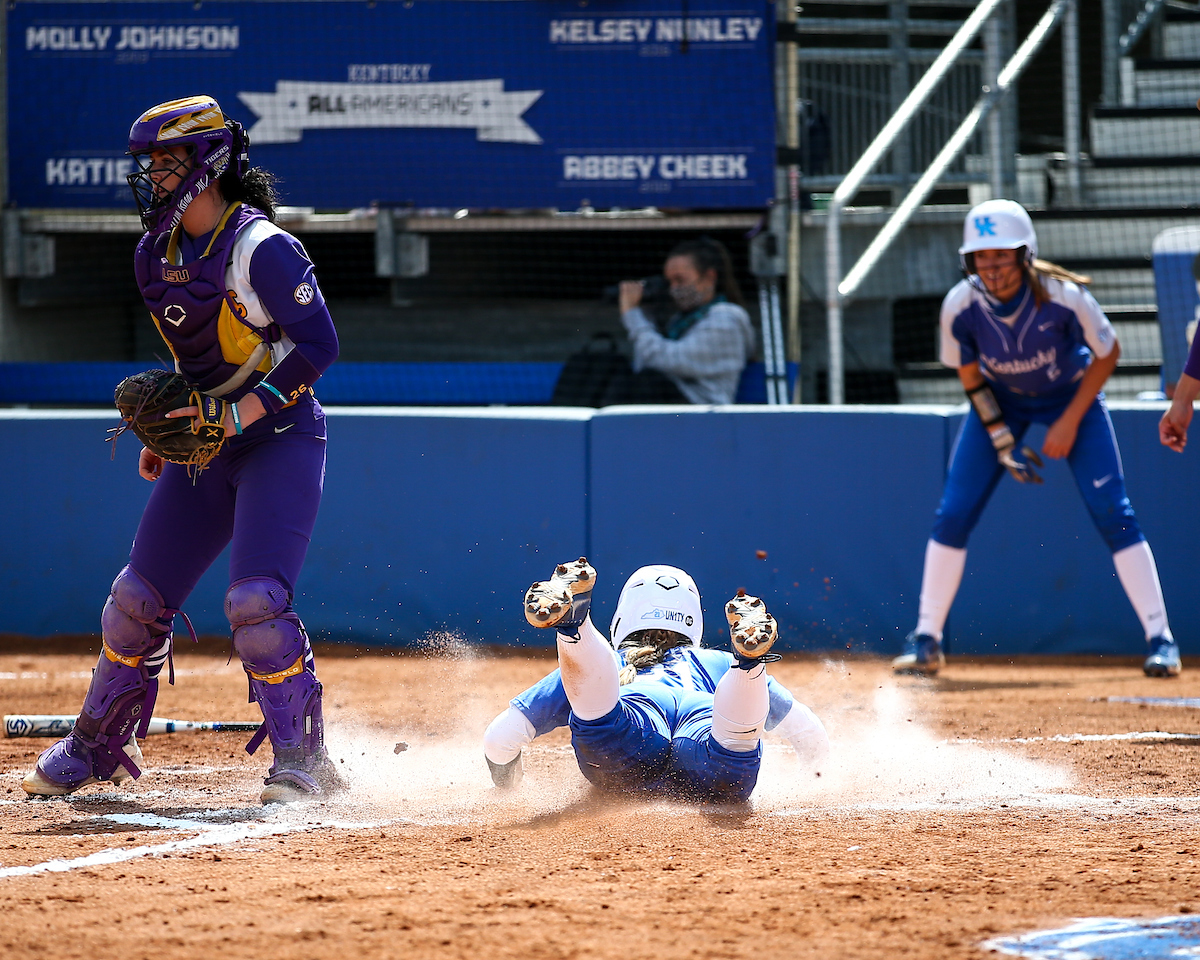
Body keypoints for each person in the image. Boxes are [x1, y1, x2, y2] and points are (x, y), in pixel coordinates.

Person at [23, 95, 343, 803]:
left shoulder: (263, 247)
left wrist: (238, 414)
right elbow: (195, 356)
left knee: (255, 604)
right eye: (148, 164)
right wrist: (174, 439)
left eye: (165, 163)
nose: (152, 178)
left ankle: (305, 760)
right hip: (210, 444)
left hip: (280, 436)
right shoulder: (153, 254)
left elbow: (320, 346)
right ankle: (98, 746)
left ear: (208, 164)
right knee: (134, 603)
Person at [893, 199, 1180, 679]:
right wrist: (1002, 439)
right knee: (953, 512)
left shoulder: (1064, 297)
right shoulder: (961, 305)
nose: (991, 267)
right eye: (981, 256)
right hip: (1002, 402)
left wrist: (1068, 421)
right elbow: (971, 376)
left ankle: (1161, 639)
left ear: (1025, 254)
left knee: (1114, 511)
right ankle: (925, 640)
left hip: (1072, 397)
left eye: (1001, 255)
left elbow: (1108, 353)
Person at [483, 558, 829, 803]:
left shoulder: (611, 664)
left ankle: (574, 627)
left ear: (624, 615)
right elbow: (808, 733)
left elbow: (500, 739)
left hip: (632, 720)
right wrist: (812, 784)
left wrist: (508, 788)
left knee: (598, 715)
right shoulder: (717, 662)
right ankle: (750, 666)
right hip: (706, 720)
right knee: (734, 745)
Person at [615, 237, 755, 405]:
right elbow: (642, 364)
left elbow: (668, 361)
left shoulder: (727, 318)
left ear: (709, 277)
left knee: (647, 381)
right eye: (670, 282)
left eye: (680, 280)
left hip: (705, 411)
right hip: (671, 408)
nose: (674, 288)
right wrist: (646, 311)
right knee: (616, 370)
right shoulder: (679, 321)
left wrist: (632, 315)